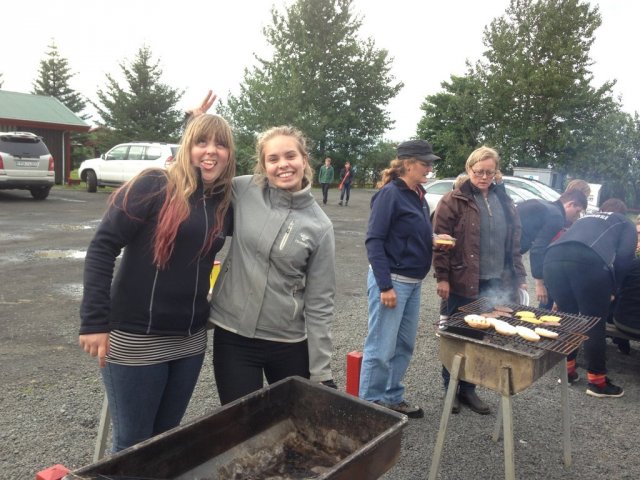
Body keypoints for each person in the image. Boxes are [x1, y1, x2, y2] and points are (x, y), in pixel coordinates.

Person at [79, 112, 236, 452]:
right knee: (134, 444)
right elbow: (102, 247)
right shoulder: (153, 185)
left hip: (190, 341)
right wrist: (93, 320)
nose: (211, 151)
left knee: (166, 438)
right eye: (201, 142)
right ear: (186, 147)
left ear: (230, 154)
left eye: (220, 144)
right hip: (137, 339)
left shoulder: (223, 202)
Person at [209, 125, 336, 405]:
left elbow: (320, 302)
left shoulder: (320, 226)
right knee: (240, 425)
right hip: (234, 338)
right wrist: (193, 127)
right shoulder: (243, 190)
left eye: (290, 156)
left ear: (304, 159)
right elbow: (201, 178)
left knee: (291, 427)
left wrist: (321, 369)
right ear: (263, 165)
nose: (283, 165)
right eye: (273, 159)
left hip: (288, 342)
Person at [433, 146, 527, 415]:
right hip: (462, 279)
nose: (484, 176)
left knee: (480, 337)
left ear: (497, 172)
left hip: (494, 282)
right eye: (479, 172)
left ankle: (469, 389)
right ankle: (450, 389)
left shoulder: (505, 202)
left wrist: (519, 276)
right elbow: (441, 243)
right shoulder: (453, 200)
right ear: (468, 170)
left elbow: (515, 243)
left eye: (490, 171)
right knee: (456, 336)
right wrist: (443, 278)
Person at [359, 139, 447, 418]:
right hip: (393, 281)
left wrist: (434, 238)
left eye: (430, 163)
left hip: (412, 282)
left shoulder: (417, 193)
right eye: (425, 163)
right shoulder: (390, 194)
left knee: (404, 344)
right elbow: (374, 240)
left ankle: (391, 396)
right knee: (381, 347)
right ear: (408, 164)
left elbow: (408, 233)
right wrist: (384, 285)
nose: (430, 168)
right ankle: (369, 407)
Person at [543, 198, 636, 398]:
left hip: (551, 260)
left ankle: (566, 371)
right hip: (587, 262)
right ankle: (597, 382)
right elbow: (624, 259)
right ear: (624, 212)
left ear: (602, 210)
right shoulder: (625, 223)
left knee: (569, 318)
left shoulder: (586, 218)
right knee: (593, 322)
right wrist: (614, 287)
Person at [517, 190, 588, 305]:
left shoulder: (544, 205)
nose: (577, 215)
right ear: (571, 204)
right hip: (503, 251)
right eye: (577, 211)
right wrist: (539, 284)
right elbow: (537, 249)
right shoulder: (556, 217)